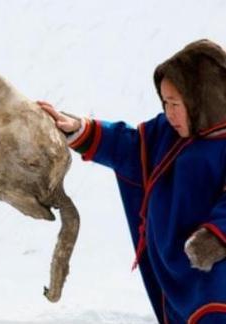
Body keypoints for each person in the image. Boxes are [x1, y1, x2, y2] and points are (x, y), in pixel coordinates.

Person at [38, 39, 226, 324]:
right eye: (164, 103)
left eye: (176, 103)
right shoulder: (166, 132)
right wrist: (78, 130)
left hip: (216, 274)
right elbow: (130, 146)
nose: (169, 113)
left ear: (203, 98)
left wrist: (215, 237)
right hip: (177, 273)